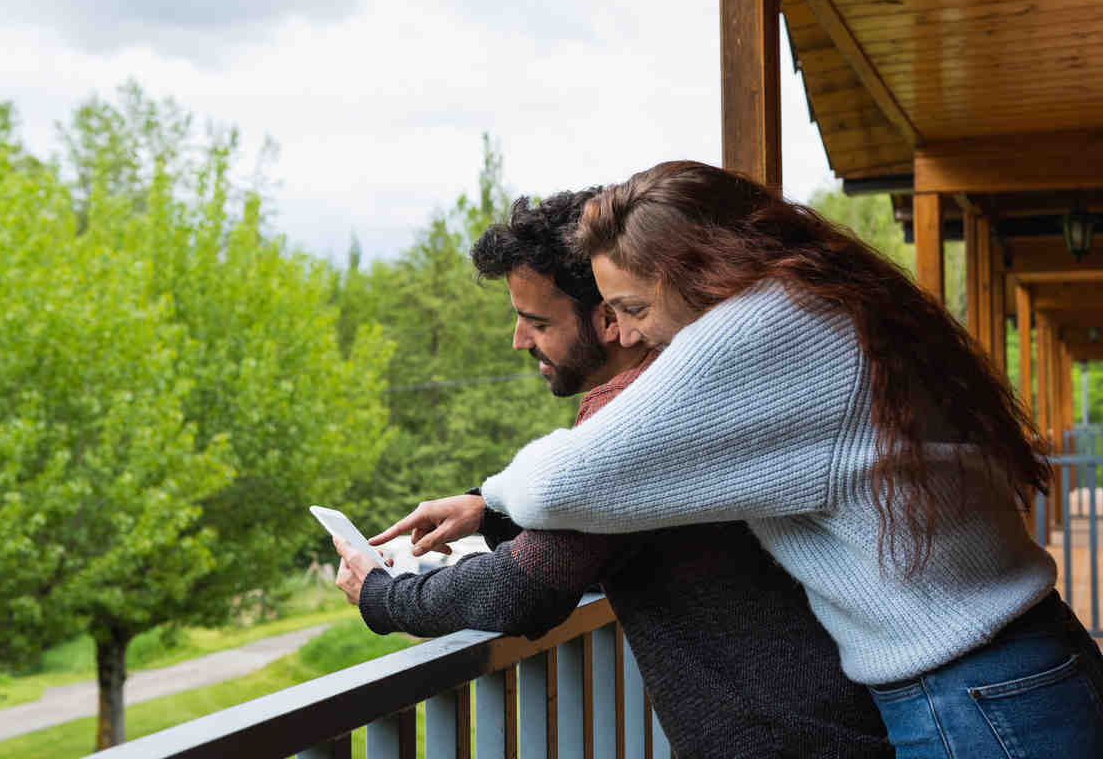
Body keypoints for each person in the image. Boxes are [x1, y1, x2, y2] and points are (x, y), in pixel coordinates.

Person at [459, 161, 1103, 758]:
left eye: (633, 309)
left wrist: (489, 495)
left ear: (696, 270)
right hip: (1009, 670)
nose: (625, 333)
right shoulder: (818, 296)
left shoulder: (761, 327)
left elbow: (561, 485)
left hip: (972, 695)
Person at [331, 190, 893, 758]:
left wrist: (385, 593)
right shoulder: (686, 384)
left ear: (607, 318)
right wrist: (488, 510)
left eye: (535, 321)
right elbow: (607, 534)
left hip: (789, 741)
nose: (519, 340)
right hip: (829, 724)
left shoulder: (634, 410)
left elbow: (522, 589)